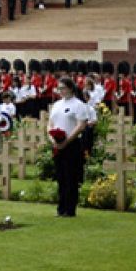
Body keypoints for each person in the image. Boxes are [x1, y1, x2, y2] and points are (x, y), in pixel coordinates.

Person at [47, 81, 88, 217]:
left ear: (70, 88)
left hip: (72, 144)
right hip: (57, 145)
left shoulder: (78, 105)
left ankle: (70, 209)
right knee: (61, 177)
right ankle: (61, 207)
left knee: (71, 177)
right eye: (59, 88)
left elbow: (80, 125)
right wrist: (53, 139)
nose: (61, 91)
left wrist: (67, 141)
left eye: (63, 88)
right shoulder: (57, 105)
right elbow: (50, 124)